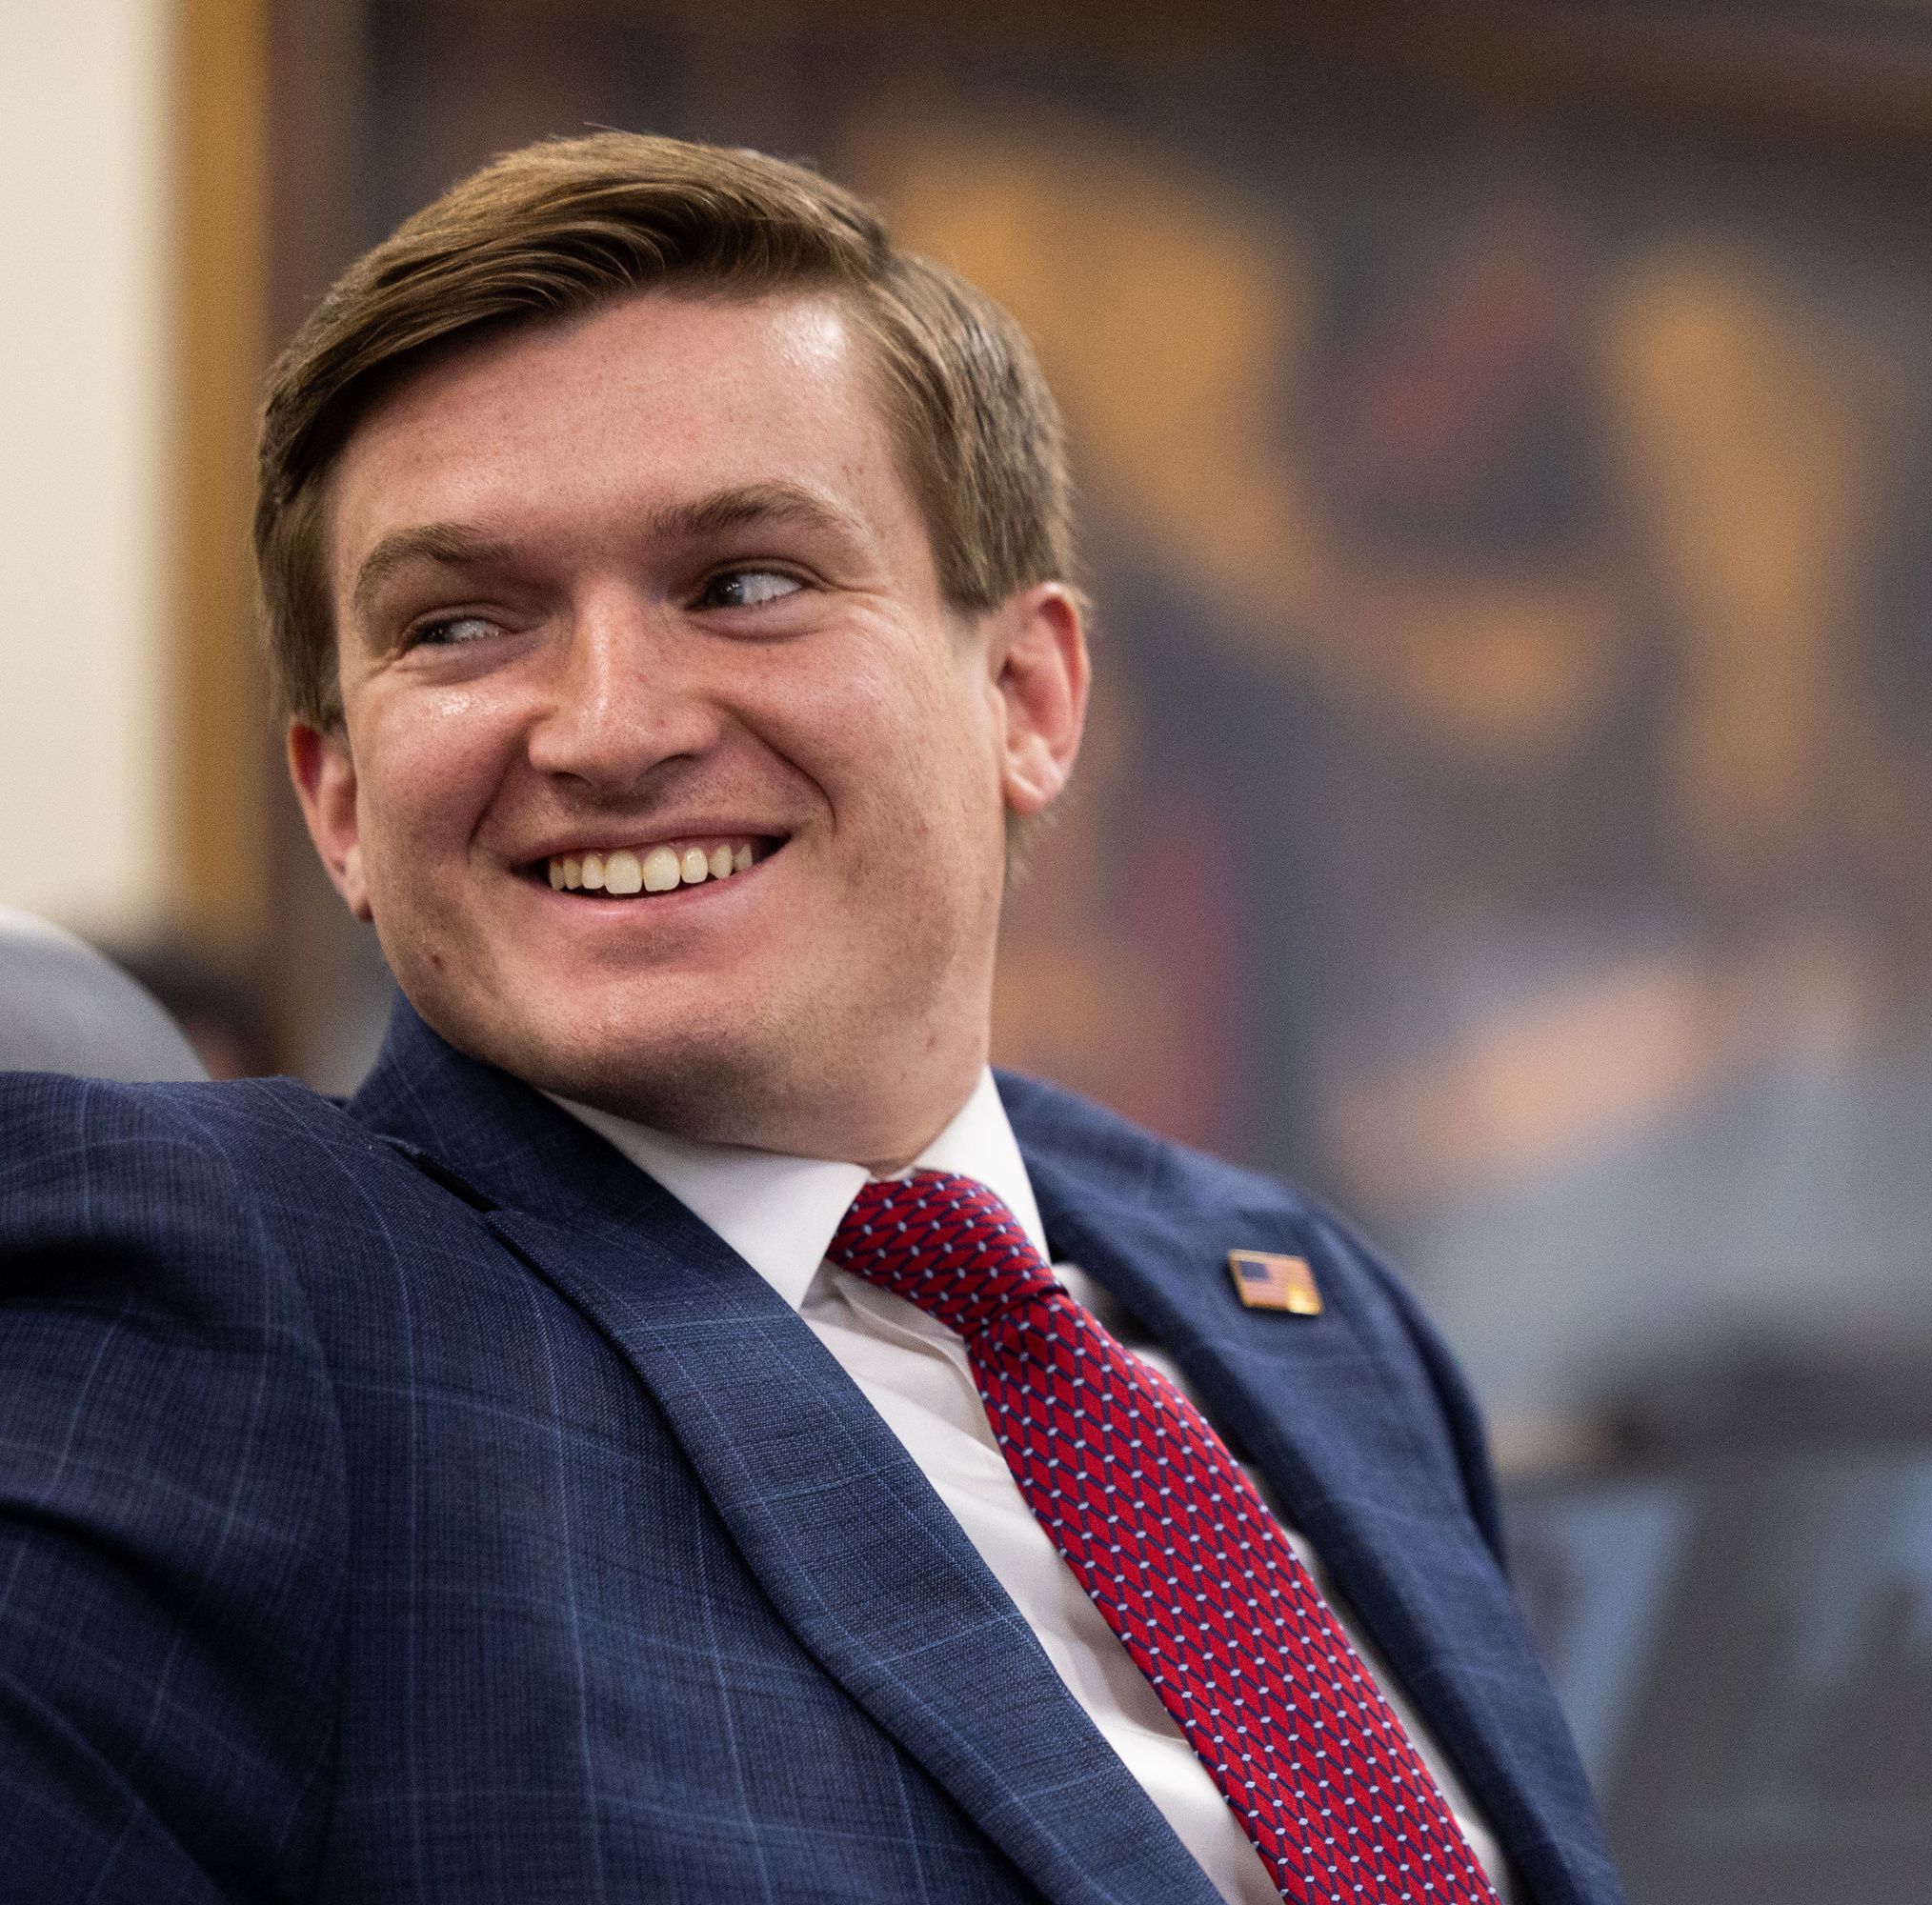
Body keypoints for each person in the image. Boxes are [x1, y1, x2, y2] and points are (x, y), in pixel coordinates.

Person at [0, 133, 1618, 1905]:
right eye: (459, 624)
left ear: (1027, 695)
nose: (608, 728)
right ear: (337, 802)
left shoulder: (1305, 1301)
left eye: (745, 585)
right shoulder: (213, 1280)